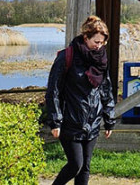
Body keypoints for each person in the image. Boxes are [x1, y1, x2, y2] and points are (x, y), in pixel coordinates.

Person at [45, 15, 116, 185]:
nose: (99, 46)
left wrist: (109, 119)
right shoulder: (67, 56)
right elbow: (53, 90)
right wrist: (55, 121)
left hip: (93, 121)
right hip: (71, 120)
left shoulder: (101, 59)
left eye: (102, 42)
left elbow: (106, 89)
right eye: (96, 42)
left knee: (85, 168)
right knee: (75, 164)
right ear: (86, 38)